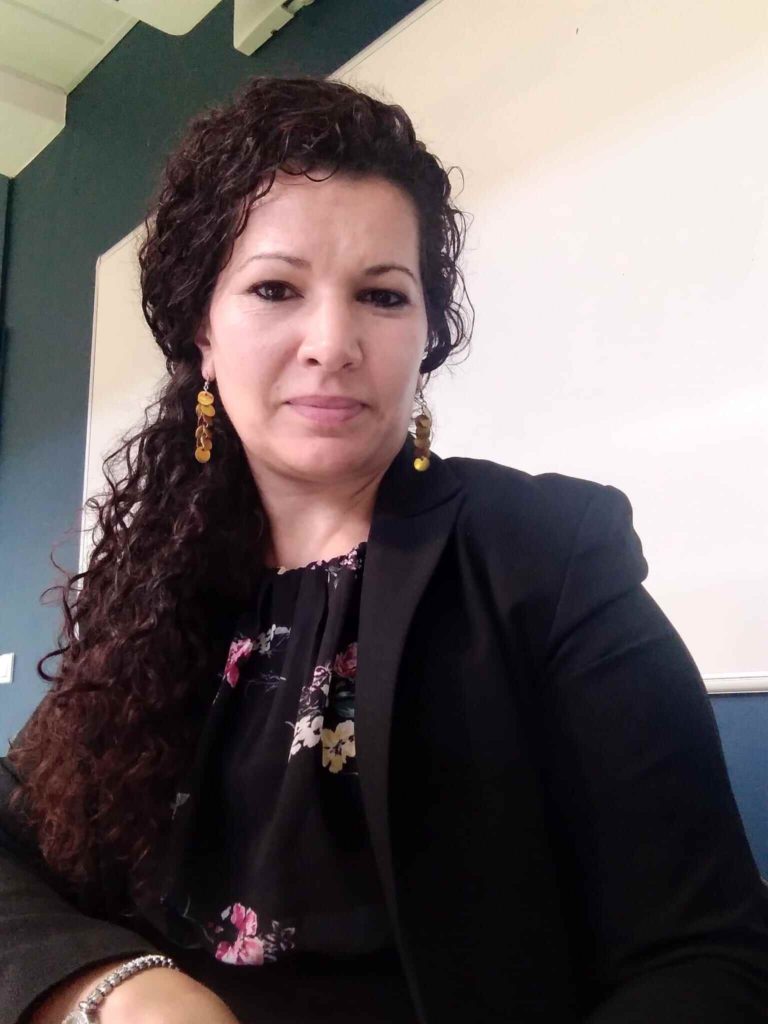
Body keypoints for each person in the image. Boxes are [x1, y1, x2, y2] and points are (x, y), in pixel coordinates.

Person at [1, 72, 767, 1024]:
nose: (333, 342)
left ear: (424, 337)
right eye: (275, 288)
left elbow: (706, 956)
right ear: (203, 333)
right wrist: (110, 987)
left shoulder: (547, 553)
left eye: (381, 295)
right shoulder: (155, 589)